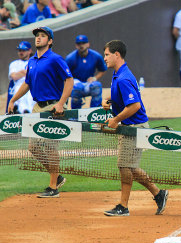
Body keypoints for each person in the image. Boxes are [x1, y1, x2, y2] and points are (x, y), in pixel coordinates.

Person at [101, 40, 168, 216]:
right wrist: (108, 100)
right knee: (129, 166)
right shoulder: (119, 74)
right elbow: (122, 97)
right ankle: (158, 194)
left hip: (134, 126)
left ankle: (123, 206)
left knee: (124, 166)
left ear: (117, 55)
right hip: (132, 126)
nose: (104, 58)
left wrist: (115, 119)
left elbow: (135, 105)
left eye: (107, 54)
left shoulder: (123, 78)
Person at [8, 26, 74, 198]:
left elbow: (69, 80)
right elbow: (27, 83)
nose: (38, 38)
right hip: (38, 107)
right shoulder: (32, 61)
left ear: (50, 41)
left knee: (51, 147)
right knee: (34, 147)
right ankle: (57, 176)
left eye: (43, 36)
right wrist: (13, 100)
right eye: (37, 35)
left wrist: (61, 103)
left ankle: (53, 188)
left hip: (54, 107)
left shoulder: (55, 59)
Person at [65, 34, 107, 109]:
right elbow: (65, 75)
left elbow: (103, 70)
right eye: (79, 43)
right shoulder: (70, 58)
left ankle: (94, 111)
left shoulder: (96, 56)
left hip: (88, 83)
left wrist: (95, 78)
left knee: (96, 86)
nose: (81, 45)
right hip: (75, 83)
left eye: (83, 43)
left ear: (88, 44)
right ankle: (75, 114)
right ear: (76, 45)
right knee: (78, 87)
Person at [7, 41, 36, 114]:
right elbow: (14, 76)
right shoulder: (14, 63)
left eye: (23, 50)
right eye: (20, 50)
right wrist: (26, 72)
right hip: (18, 88)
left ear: (30, 51)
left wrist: (22, 73)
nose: (21, 52)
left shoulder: (35, 62)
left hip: (32, 87)